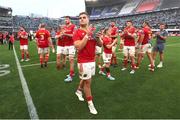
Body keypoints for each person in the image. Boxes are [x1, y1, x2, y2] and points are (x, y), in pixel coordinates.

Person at [73, 12, 102, 115]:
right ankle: (90, 103)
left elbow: (100, 45)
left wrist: (97, 37)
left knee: (85, 79)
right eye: (80, 18)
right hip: (83, 61)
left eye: (84, 17)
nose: (81, 19)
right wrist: (87, 35)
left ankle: (78, 91)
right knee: (88, 83)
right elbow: (79, 47)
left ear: (88, 19)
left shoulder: (93, 31)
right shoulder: (77, 32)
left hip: (92, 59)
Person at [62, 16, 76, 82]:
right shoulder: (64, 27)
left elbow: (74, 35)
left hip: (71, 45)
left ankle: (70, 76)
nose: (66, 20)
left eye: (67, 19)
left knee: (71, 60)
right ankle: (72, 72)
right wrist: (62, 35)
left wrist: (65, 34)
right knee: (66, 58)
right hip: (65, 45)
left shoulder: (73, 26)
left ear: (70, 20)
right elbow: (63, 36)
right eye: (65, 19)